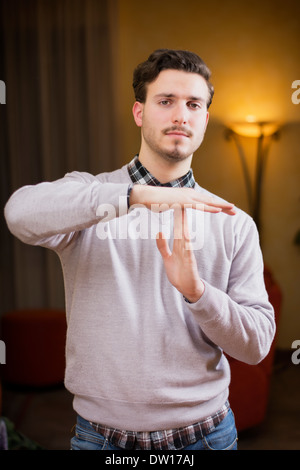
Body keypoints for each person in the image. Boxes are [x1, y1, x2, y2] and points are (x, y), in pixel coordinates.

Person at [4, 49, 275, 451]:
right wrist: (135, 196)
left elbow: (255, 345)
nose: (180, 114)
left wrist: (198, 294)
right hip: (101, 440)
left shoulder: (233, 221)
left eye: (193, 104)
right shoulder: (90, 199)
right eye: (165, 101)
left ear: (203, 119)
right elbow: (18, 213)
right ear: (139, 112)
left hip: (206, 437)